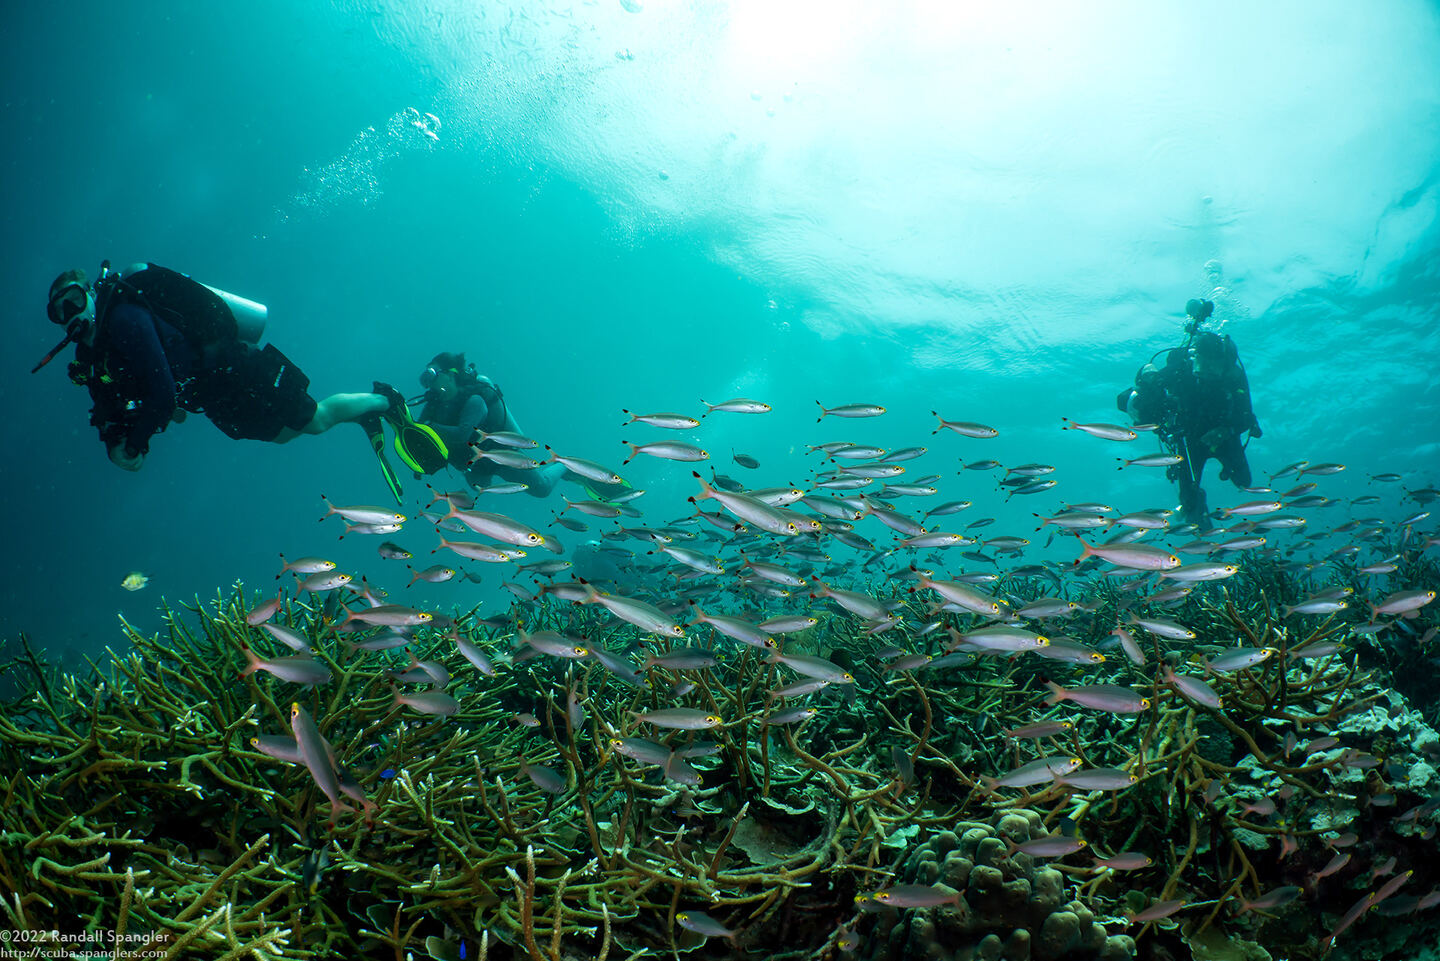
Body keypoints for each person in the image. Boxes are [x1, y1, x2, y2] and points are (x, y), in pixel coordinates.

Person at [37, 262, 446, 500]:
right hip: (212, 393)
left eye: (73, 301)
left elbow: (161, 395)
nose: (69, 315)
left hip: (237, 369)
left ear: (90, 294)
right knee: (285, 437)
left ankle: (384, 402)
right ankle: (366, 413)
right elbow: (109, 403)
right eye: (59, 313)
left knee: (316, 421)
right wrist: (115, 444)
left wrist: (137, 441)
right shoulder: (94, 355)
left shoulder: (124, 317)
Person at [1117, 298, 1263, 528]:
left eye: (1213, 366)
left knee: (1244, 481)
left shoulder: (1233, 377)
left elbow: (1248, 416)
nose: (1206, 372)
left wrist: (1225, 430)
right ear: (1196, 357)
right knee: (1189, 502)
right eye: (1202, 364)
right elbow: (1142, 395)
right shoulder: (1180, 369)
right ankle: (1197, 520)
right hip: (1187, 438)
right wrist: (1149, 387)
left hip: (1224, 434)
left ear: (1223, 363)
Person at [413, 351, 565, 498]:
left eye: (433, 374)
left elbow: (462, 434)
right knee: (478, 486)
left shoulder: (474, 399)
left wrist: (433, 427)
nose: (429, 382)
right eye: (426, 376)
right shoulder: (434, 405)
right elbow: (419, 433)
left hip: (502, 458)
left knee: (542, 488)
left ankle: (564, 465)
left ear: (450, 374)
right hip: (475, 464)